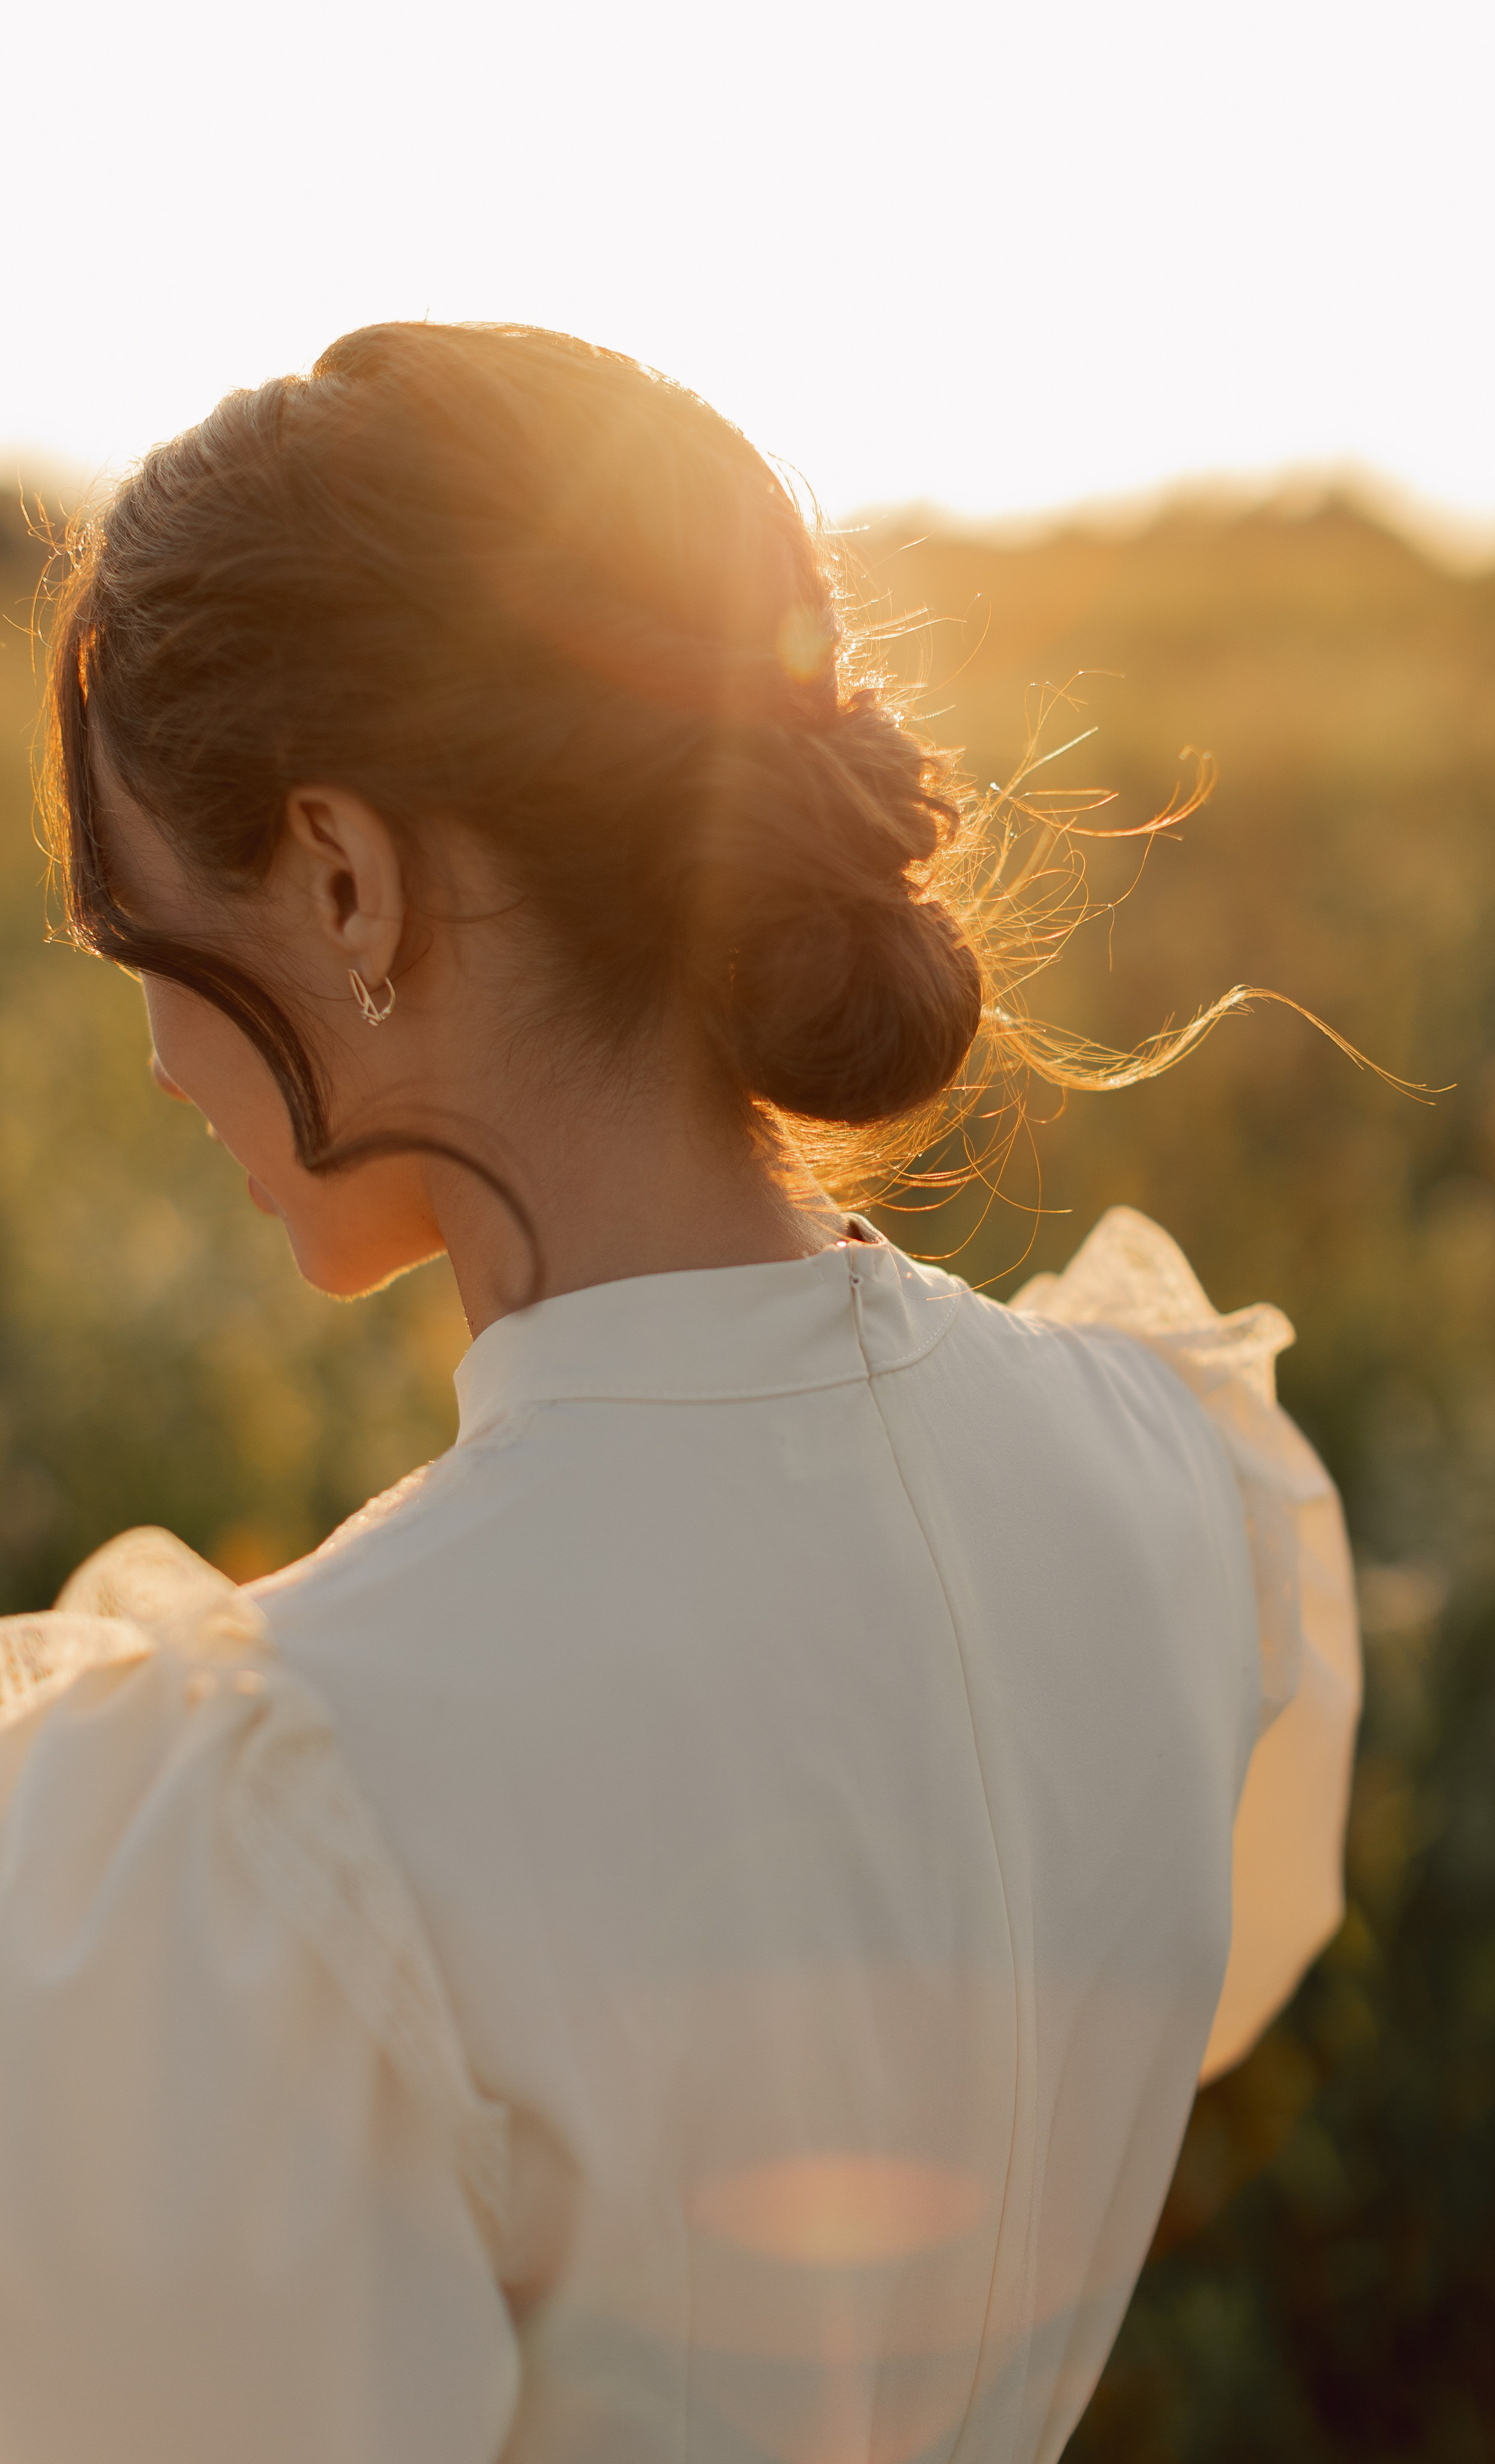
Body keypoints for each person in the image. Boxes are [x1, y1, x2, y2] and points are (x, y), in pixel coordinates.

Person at [0, 323, 1358, 2464]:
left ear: (347, 883)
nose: (163, 1059)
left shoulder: (290, 1805)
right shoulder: (1182, 1487)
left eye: (139, 939)